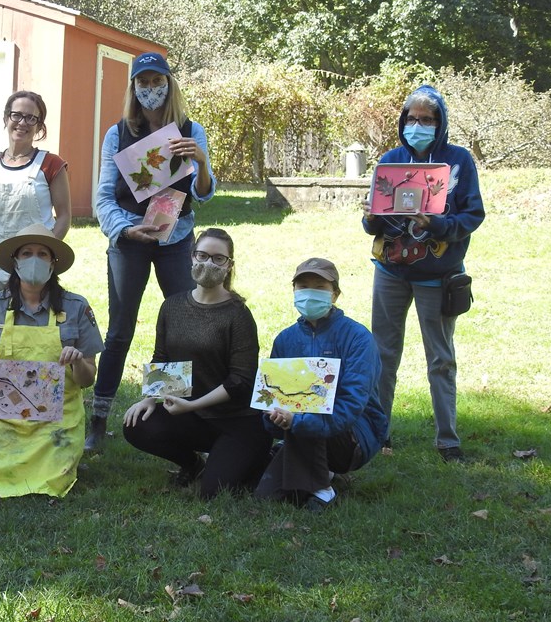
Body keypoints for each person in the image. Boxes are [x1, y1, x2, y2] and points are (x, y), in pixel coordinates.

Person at [89, 52, 217, 450]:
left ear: (169, 83)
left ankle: (175, 408)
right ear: (133, 88)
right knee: (120, 330)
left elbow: (205, 195)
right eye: (141, 83)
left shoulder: (191, 130)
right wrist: (128, 229)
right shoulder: (118, 133)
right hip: (130, 240)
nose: (149, 89)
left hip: (176, 238)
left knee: (184, 323)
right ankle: (98, 417)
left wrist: (201, 161)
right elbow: (103, 198)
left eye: (155, 81)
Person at [361, 85, 484, 462]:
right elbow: (373, 225)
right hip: (391, 272)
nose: (418, 125)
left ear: (440, 123)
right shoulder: (390, 160)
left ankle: (448, 441)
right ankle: (378, 434)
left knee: (441, 358)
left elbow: (472, 215)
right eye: (411, 118)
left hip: (439, 275)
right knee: (382, 355)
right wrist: (369, 218)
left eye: (426, 119)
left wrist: (438, 224)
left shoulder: (459, 161)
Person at [0, 224, 102, 498]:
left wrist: (78, 362)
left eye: (43, 254)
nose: (34, 259)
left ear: (53, 264)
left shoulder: (77, 306)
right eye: (27, 253)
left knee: (53, 475)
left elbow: (88, 380)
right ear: (15, 262)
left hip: (58, 416)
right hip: (3, 413)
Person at [123, 228, 269, 498]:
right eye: (202, 255)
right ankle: (193, 463)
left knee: (212, 493)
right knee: (137, 424)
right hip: (191, 416)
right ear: (191, 258)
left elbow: (241, 381)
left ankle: (258, 455)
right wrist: (148, 398)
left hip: (237, 420)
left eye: (218, 258)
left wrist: (191, 404)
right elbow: (162, 358)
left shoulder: (238, 314)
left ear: (229, 266)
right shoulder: (172, 306)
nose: (208, 264)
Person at [255, 258, 390, 511]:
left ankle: (322, 490)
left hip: (353, 435)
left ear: (335, 294)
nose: (309, 293)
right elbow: (271, 397)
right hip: (294, 428)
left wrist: (296, 422)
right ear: (293, 291)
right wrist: (273, 418)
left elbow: (351, 405)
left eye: (319, 286)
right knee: (266, 496)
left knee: (313, 407)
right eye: (303, 286)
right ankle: (312, 469)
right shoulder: (285, 339)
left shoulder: (358, 338)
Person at [0, 91, 71, 305]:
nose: (22, 123)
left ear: (39, 126)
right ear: (6, 118)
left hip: (30, 263)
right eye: (16, 115)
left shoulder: (51, 164)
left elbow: (63, 217)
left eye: (31, 118)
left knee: (30, 324)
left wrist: (45, 255)